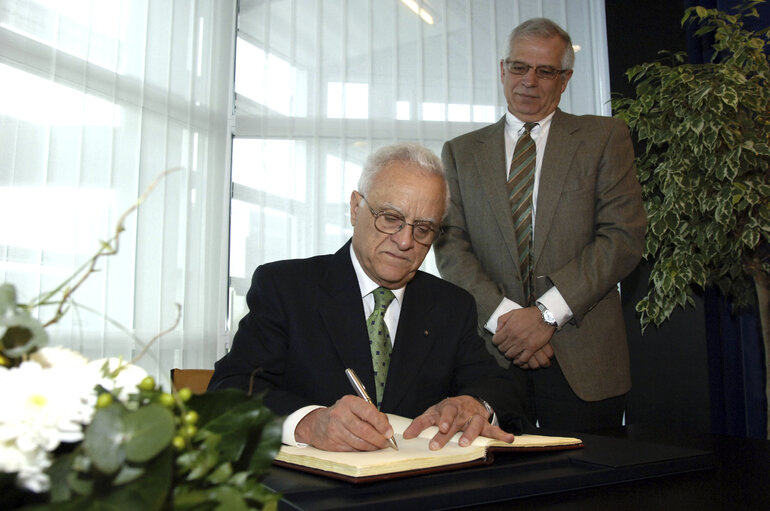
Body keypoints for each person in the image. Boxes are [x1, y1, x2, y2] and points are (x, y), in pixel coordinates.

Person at [209, 142, 527, 452]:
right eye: (390, 218)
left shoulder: (451, 305)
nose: (405, 241)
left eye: (423, 229)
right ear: (355, 208)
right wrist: (309, 423)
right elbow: (231, 389)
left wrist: (473, 404)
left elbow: (499, 386)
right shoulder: (286, 288)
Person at [433, 18, 646, 432]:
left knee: (585, 492)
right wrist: (507, 321)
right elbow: (450, 246)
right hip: (492, 356)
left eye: (545, 71)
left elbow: (622, 237)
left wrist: (546, 316)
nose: (529, 81)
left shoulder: (604, 137)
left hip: (585, 362)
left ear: (564, 79)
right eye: (518, 67)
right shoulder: (460, 153)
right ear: (502, 70)